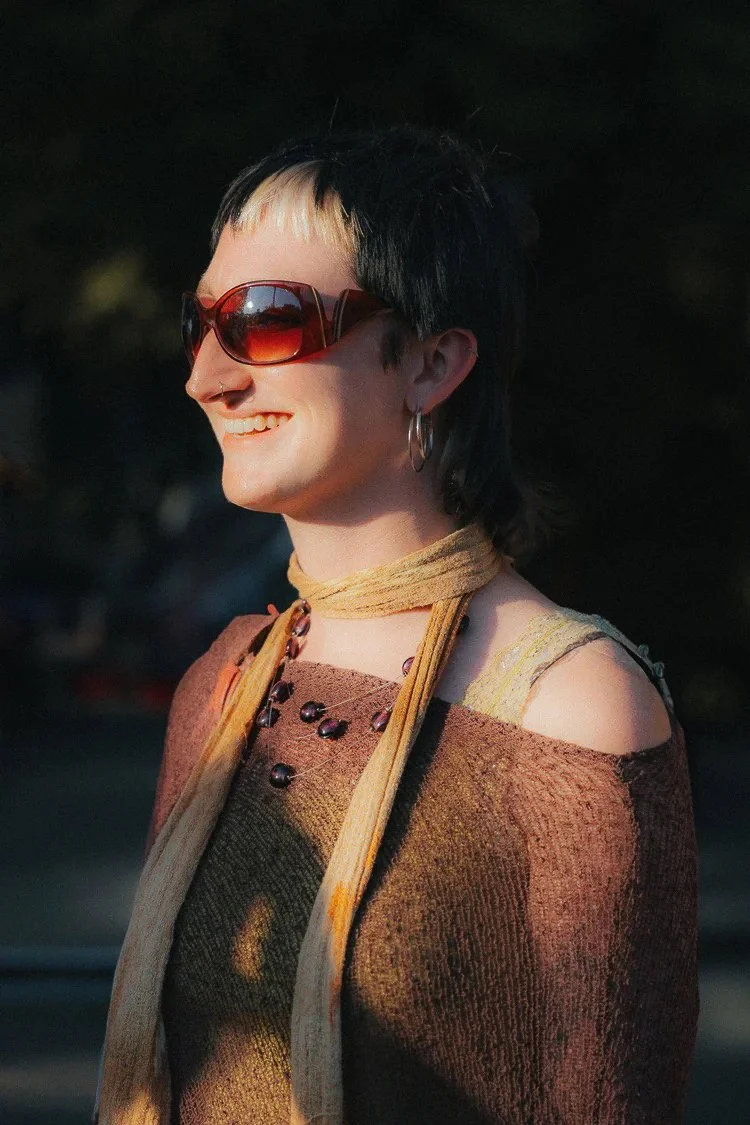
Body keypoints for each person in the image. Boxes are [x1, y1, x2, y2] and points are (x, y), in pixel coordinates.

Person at [95, 126, 699, 1125]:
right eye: (199, 324)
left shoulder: (573, 703)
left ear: (430, 363)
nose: (209, 377)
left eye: (268, 319)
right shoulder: (229, 676)